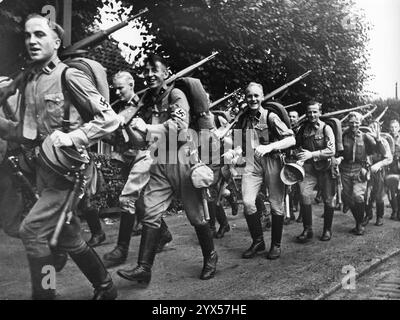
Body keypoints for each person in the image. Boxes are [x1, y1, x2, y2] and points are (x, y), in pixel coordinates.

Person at [0, 14, 120, 299]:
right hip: (45, 171)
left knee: (34, 232)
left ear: (56, 42)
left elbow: (109, 119)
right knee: (68, 236)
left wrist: (73, 136)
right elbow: (26, 133)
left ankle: (46, 295)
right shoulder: (30, 83)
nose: (31, 41)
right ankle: (106, 287)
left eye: (40, 35)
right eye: (28, 35)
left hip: (71, 174)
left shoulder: (69, 76)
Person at [117, 54, 218, 284]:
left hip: (182, 158)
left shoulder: (175, 94)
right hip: (159, 159)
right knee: (149, 210)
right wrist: (132, 128)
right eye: (147, 70)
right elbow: (142, 139)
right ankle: (144, 268)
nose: (150, 74)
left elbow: (180, 128)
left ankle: (210, 256)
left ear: (166, 72)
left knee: (196, 215)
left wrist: (148, 127)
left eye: (155, 70)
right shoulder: (148, 100)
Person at [102, 70, 172, 268]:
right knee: (139, 201)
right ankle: (164, 233)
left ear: (131, 85)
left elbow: (149, 137)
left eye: (120, 88)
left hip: (145, 154)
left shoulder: (145, 105)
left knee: (128, 198)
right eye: (114, 89)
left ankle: (122, 248)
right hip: (126, 156)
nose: (117, 92)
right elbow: (114, 137)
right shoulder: (120, 108)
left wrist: (130, 127)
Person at [237, 82, 295, 260]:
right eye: (249, 96)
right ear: (245, 98)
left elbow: (291, 139)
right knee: (247, 202)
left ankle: (276, 245)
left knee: (276, 204)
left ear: (262, 97)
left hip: (273, 160)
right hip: (252, 162)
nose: (253, 99)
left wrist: (270, 147)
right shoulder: (243, 119)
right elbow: (241, 144)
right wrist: (234, 152)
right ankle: (258, 242)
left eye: (256, 96)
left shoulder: (270, 117)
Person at [295, 101, 336, 242]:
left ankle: (327, 230)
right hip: (309, 169)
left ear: (320, 113)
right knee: (304, 194)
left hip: (325, 169)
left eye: (314, 112)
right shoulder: (303, 129)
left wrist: (312, 154)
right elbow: (297, 146)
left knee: (328, 199)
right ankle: (307, 229)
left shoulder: (326, 128)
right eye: (309, 112)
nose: (312, 115)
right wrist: (299, 157)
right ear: (306, 113)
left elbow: (331, 150)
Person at [339, 112, 385, 235]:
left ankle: (359, 225)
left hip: (360, 170)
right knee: (349, 198)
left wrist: (379, 140)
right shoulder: (343, 135)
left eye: (357, 122)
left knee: (358, 196)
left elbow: (380, 151)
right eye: (352, 122)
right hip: (345, 169)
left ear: (360, 123)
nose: (354, 125)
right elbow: (337, 150)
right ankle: (359, 220)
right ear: (348, 123)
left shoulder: (365, 137)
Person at [362, 124, 392, 226]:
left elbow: (389, 158)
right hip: (367, 170)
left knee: (379, 196)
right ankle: (368, 215)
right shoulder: (365, 140)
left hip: (379, 171)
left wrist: (379, 164)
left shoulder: (384, 141)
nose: (372, 130)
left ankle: (379, 216)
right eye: (371, 127)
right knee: (366, 194)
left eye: (375, 128)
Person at [385, 119, 400, 221]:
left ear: (399, 128)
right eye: (392, 127)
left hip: (399, 165)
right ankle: (394, 210)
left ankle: (399, 211)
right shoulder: (386, 138)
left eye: (395, 127)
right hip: (389, 166)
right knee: (390, 190)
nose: (393, 129)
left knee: (399, 189)